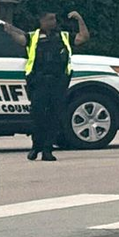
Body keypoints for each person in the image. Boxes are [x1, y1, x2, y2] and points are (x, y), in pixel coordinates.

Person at [18, 10, 89, 161]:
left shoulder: (63, 36)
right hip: (39, 83)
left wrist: (79, 19)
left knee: (54, 117)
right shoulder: (32, 37)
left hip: (58, 83)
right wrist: (7, 27)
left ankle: (47, 150)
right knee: (38, 117)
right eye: (50, 19)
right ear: (41, 21)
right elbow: (19, 39)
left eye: (54, 19)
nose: (53, 22)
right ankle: (36, 146)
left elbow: (83, 38)